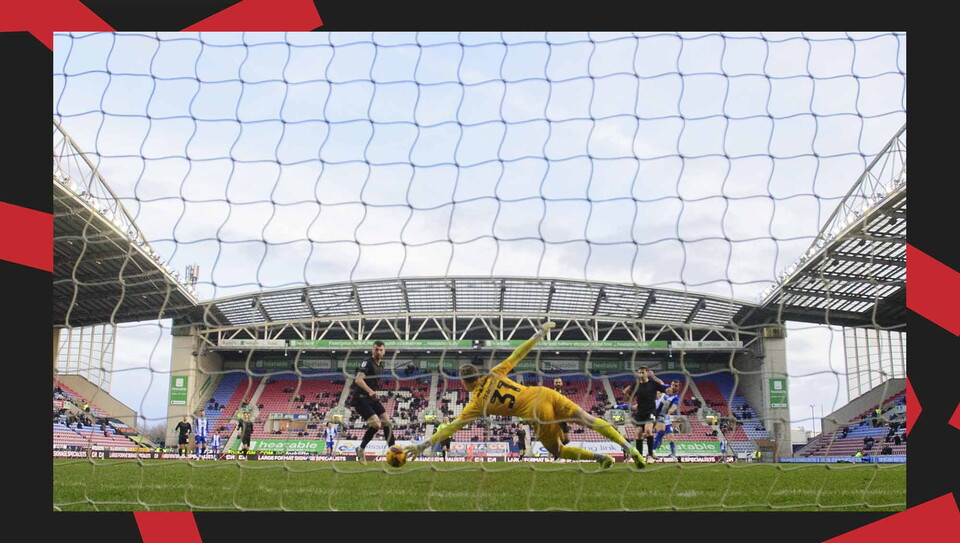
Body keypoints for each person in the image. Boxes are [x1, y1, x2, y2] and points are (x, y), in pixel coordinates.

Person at [404, 322, 645, 469]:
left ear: (465, 383)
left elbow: (451, 427)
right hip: (545, 392)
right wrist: (538, 335)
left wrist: (424, 444)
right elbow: (517, 355)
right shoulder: (495, 373)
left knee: (558, 451)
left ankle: (601, 457)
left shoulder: (476, 403)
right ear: (478, 375)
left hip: (536, 413)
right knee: (589, 419)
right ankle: (629, 448)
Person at [349, 340, 395, 464]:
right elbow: (358, 380)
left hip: (371, 398)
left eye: (381, 350)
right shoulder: (367, 362)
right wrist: (370, 391)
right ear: (372, 350)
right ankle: (361, 449)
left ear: (384, 351)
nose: (379, 352)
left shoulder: (381, 365)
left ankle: (393, 450)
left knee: (387, 422)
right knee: (376, 425)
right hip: (361, 398)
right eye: (376, 349)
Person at [622, 366, 667, 461]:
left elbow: (665, 389)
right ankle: (639, 456)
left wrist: (655, 377)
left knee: (648, 430)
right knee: (638, 433)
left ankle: (650, 455)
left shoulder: (653, 384)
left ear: (647, 373)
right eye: (639, 372)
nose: (641, 374)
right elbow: (629, 399)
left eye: (642, 372)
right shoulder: (636, 385)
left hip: (651, 411)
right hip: (640, 412)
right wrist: (625, 394)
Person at [653, 380, 681, 458]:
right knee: (660, 433)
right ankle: (652, 451)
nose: (673, 386)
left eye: (676, 385)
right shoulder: (657, 399)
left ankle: (673, 455)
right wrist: (653, 376)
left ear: (678, 388)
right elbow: (660, 382)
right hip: (658, 417)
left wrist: (672, 410)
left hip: (667, 420)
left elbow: (675, 407)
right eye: (673, 385)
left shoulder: (675, 398)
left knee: (671, 438)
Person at [552, 378, 572, 445]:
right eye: (556, 382)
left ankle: (557, 450)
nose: (558, 384)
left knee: (567, 439)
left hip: (563, 419)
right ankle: (556, 452)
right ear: (554, 384)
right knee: (560, 438)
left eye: (559, 382)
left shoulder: (564, 392)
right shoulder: (551, 393)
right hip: (556, 418)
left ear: (562, 383)